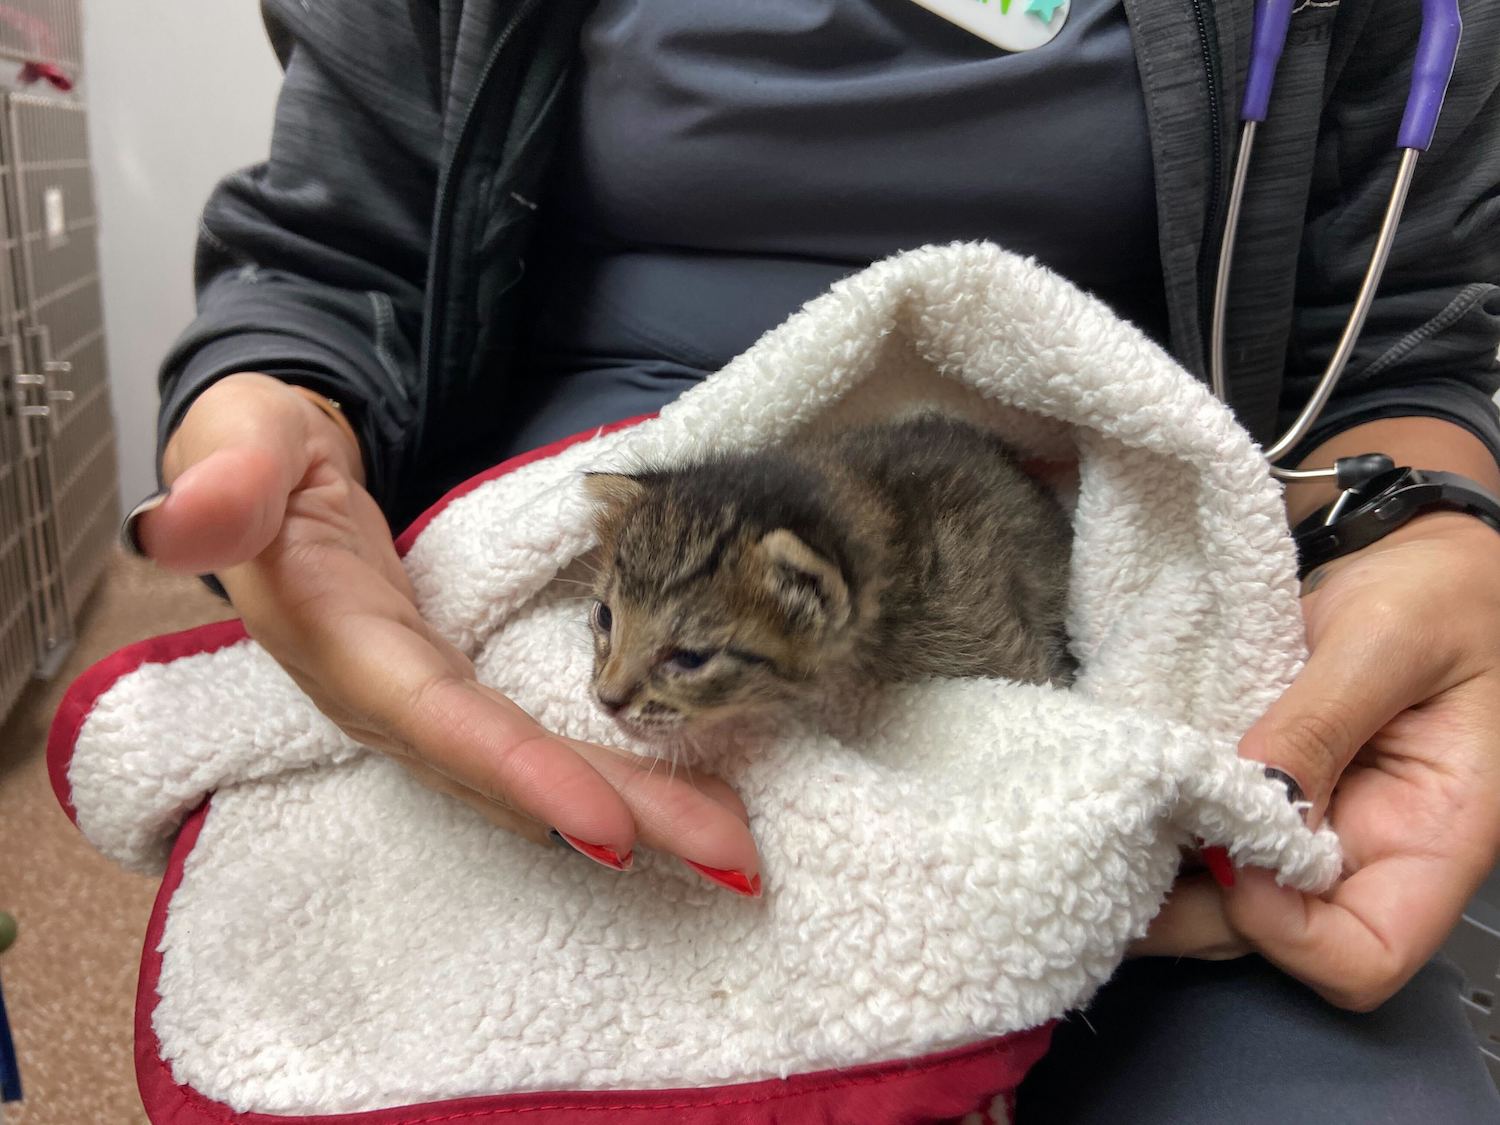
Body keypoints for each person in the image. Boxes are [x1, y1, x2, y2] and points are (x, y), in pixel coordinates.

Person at [124, 2, 1500, 1119]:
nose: (616, 692)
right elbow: (322, 256)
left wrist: (1430, 525)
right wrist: (271, 403)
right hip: (603, 477)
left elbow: (1406, 327)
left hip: (1097, 481)